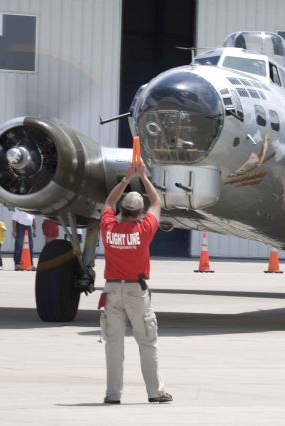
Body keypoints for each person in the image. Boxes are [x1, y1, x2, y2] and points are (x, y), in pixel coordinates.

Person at [100, 159, 172, 405]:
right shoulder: (144, 230)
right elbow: (157, 202)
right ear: (139, 213)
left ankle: (113, 395)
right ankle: (155, 392)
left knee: (113, 345)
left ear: (122, 210)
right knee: (147, 342)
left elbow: (109, 202)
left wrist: (125, 179)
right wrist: (142, 177)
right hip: (136, 291)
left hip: (110, 290)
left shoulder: (108, 227)